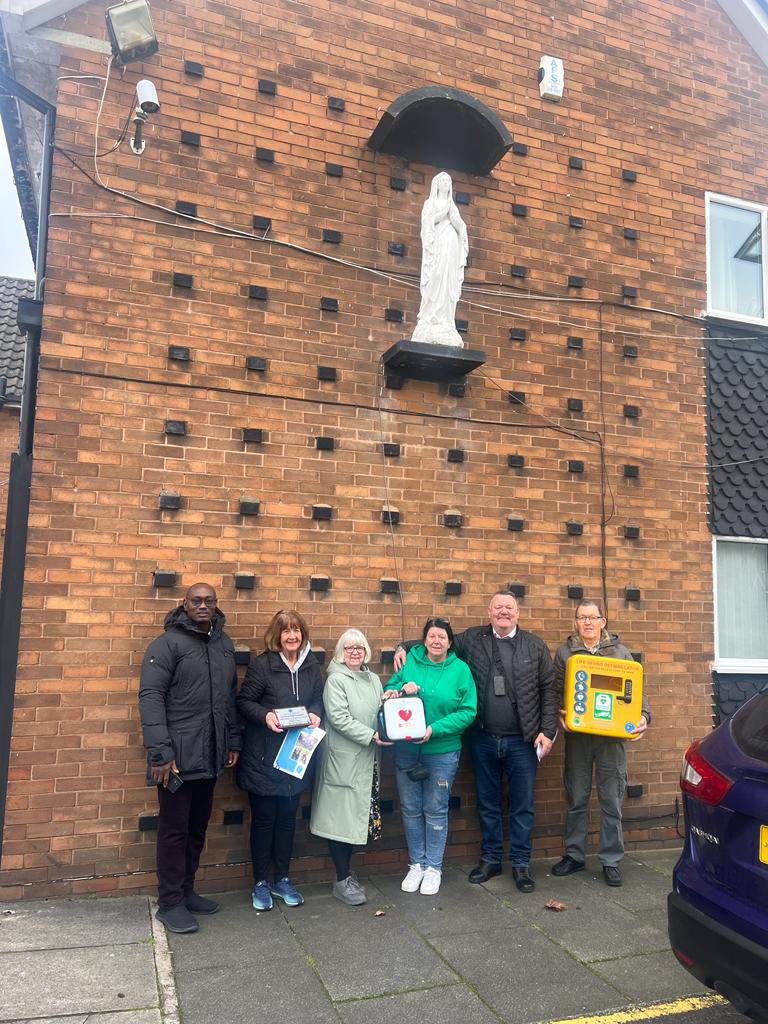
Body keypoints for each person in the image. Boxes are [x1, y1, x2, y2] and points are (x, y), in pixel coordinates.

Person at [393, 591, 556, 892]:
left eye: (509, 607)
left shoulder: (535, 646)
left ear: (518, 612)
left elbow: (549, 690)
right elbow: (437, 642)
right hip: (482, 738)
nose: (503, 612)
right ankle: (491, 859)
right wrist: (403, 646)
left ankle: (521, 865)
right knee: (488, 804)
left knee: (522, 805)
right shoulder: (474, 638)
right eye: (498, 608)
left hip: (523, 740)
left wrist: (548, 730)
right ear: (489, 612)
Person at [139, 583, 241, 934]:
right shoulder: (166, 644)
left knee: (197, 828)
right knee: (174, 831)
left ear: (215, 605)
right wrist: (161, 753)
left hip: (211, 755)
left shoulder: (223, 645)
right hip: (177, 759)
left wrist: (233, 741)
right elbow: (150, 698)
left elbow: (229, 699)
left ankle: (186, 891)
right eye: (196, 600)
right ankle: (169, 903)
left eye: (208, 601)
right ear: (184, 604)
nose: (202, 605)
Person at [552, 600, 650, 887]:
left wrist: (643, 716)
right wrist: (560, 713)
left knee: (611, 800)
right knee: (577, 797)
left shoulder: (620, 652)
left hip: (612, 740)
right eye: (582, 618)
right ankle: (574, 855)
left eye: (592, 617)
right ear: (576, 622)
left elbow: (637, 691)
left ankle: (610, 860)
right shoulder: (566, 651)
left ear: (603, 621)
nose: (587, 623)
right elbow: (557, 688)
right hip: (579, 737)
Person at [237, 609, 324, 911]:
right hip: (263, 758)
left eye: (297, 630)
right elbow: (244, 702)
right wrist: (266, 715)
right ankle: (261, 882)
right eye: (286, 630)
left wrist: (315, 713)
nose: (292, 636)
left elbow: (317, 699)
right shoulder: (263, 665)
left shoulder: (312, 666)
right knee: (264, 821)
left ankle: (282, 878)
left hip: (296, 757)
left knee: (288, 821)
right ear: (277, 634)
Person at [385, 617, 477, 896]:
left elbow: (468, 711)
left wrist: (434, 729)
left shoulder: (461, 670)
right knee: (411, 809)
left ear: (450, 643)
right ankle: (417, 865)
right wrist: (396, 690)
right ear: (424, 640)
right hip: (407, 750)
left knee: (435, 810)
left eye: (442, 637)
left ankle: (434, 867)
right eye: (431, 636)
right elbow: (390, 691)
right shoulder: (410, 662)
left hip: (443, 751)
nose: (436, 641)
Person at [310, 629, 390, 906]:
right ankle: (342, 879)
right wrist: (372, 736)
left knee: (356, 819)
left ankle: (346, 875)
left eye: (359, 647)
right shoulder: (335, 680)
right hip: (343, 761)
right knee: (340, 821)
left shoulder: (372, 679)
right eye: (348, 647)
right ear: (340, 652)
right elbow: (339, 718)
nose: (355, 651)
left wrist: (390, 701)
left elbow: (379, 711)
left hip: (367, 761)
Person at [411, 171, 469, 348]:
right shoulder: (431, 202)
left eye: (448, 181)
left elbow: (458, 223)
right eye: (443, 180)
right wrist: (442, 215)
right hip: (436, 246)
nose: (445, 183)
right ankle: (431, 317)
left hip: (451, 245)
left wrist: (462, 228)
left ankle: (445, 320)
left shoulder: (452, 205)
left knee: (447, 279)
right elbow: (426, 223)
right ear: (437, 183)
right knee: (435, 277)